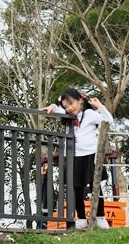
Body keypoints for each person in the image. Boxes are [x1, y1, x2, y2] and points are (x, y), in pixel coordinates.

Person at [42, 88, 113, 230]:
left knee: (95, 186)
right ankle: (81, 218)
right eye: (66, 106)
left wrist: (100, 107)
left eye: (71, 103)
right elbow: (57, 110)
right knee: (76, 189)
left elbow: (108, 120)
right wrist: (53, 106)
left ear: (80, 100)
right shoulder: (68, 116)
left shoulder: (89, 114)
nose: (69, 108)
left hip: (91, 155)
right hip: (74, 157)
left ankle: (100, 216)